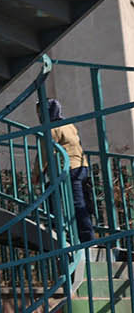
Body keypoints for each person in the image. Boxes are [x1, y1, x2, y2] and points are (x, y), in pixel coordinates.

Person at [41, 98, 95, 244]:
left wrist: (38, 173)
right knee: (79, 201)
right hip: (82, 166)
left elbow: (45, 154)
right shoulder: (68, 125)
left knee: (73, 202)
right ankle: (81, 234)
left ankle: (84, 237)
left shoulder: (51, 129)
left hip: (70, 169)